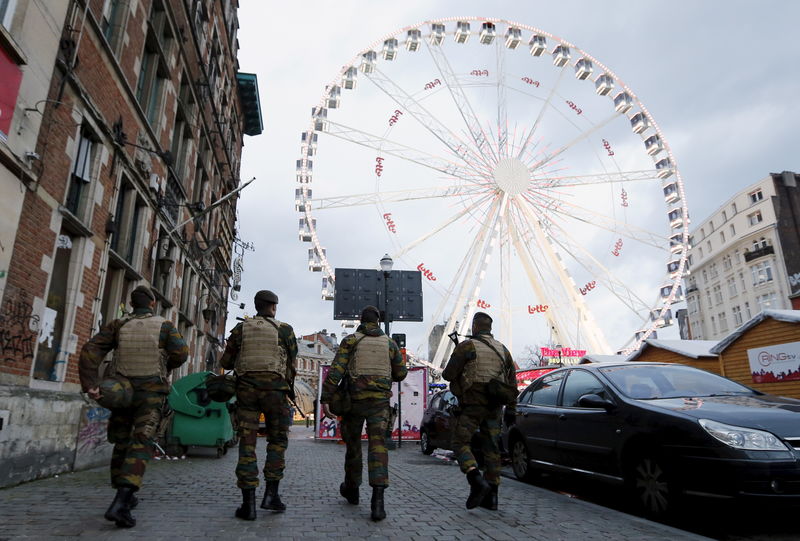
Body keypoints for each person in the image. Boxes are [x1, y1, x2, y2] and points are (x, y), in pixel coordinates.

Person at [78, 285, 188, 528]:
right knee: (140, 442)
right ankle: (121, 502)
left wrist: (90, 384)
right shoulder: (164, 326)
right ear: (151, 304)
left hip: (122, 391)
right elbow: (181, 353)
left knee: (121, 441)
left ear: (131, 304)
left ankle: (124, 493)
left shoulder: (119, 324)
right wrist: (165, 364)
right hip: (150, 393)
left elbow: (91, 349)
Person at [320, 305, 407, 521]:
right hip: (379, 404)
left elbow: (336, 371)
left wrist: (325, 398)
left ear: (361, 320)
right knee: (378, 448)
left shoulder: (351, 340)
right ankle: (378, 504)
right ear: (378, 321)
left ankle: (352, 489)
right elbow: (401, 373)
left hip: (354, 403)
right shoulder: (389, 343)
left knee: (354, 447)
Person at [220, 290, 298, 520]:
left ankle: (249, 505)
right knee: (276, 442)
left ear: (256, 305)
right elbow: (293, 362)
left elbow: (226, 362)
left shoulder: (241, 329)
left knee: (247, 444)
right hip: (275, 393)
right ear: (274, 307)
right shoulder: (285, 330)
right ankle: (271, 496)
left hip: (246, 393)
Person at [442, 312, 517, 511]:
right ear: (490, 328)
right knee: (492, 449)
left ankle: (476, 479)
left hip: (472, 405)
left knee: (460, 442)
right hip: (495, 406)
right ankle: (492, 498)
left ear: (475, 326)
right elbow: (512, 382)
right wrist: (511, 409)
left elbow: (448, 374)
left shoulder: (466, 346)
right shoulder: (503, 350)